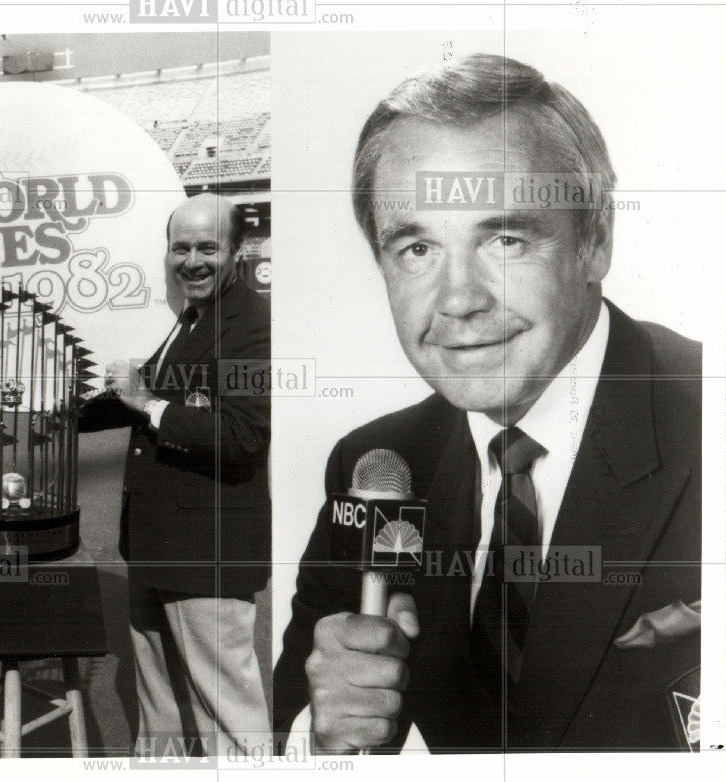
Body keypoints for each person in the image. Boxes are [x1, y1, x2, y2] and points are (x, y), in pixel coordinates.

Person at [273, 54, 701, 752]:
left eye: (504, 239)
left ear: (595, 242)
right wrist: (321, 741)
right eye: (416, 248)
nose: (458, 300)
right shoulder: (376, 466)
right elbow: (294, 715)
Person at [80, 193, 272, 756]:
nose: (192, 260)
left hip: (206, 553)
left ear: (238, 251)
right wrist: (56, 412)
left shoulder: (252, 323)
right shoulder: (192, 316)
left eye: (208, 247)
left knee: (230, 722)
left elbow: (242, 436)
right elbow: (146, 400)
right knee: (160, 716)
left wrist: (146, 399)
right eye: (180, 247)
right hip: (158, 545)